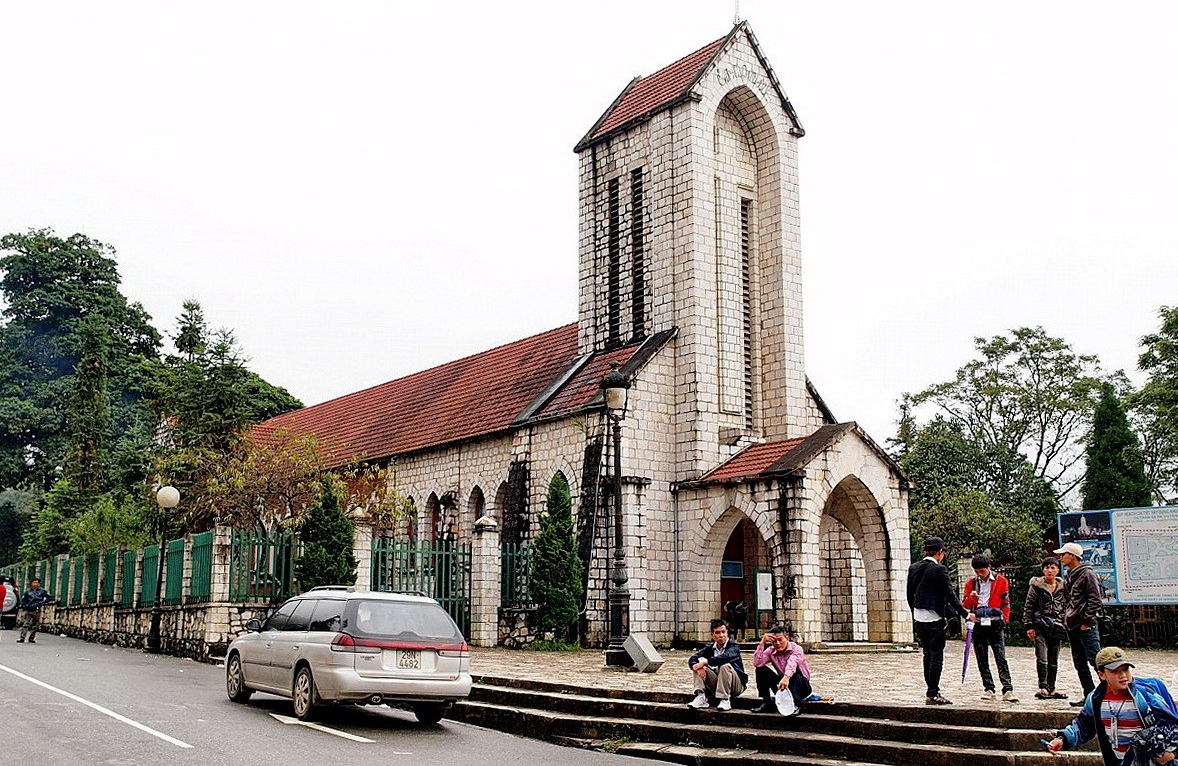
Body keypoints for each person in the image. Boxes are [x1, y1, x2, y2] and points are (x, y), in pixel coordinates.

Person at [1048, 647, 1178, 766]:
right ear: (1102, 675)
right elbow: (1083, 725)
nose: (1123, 676)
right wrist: (1063, 739)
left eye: (1126, 669)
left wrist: (1170, 752)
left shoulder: (1146, 694)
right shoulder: (1095, 699)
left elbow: (1172, 724)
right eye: (1115, 671)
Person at [906, 536, 972, 705]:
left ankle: (931, 690)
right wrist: (965, 614)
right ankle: (933, 692)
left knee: (926, 654)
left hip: (919, 616)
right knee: (936, 656)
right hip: (934, 617)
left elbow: (909, 593)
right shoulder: (939, 569)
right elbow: (949, 594)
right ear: (940, 553)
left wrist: (914, 610)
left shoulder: (914, 567)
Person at [962, 554, 1018, 702]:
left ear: (989, 568)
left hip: (995, 622)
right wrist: (972, 599)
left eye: (982, 571)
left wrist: (1005, 619)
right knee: (982, 657)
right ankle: (988, 687)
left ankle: (1007, 688)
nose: (980, 574)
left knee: (1000, 656)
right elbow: (966, 605)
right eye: (977, 571)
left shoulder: (1001, 581)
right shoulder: (971, 584)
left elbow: (1006, 602)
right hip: (979, 622)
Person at [1057, 541, 1103, 706]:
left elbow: (1095, 599)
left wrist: (1087, 621)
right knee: (1079, 663)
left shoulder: (1087, 574)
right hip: (1072, 625)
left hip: (1085, 625)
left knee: (1097, 661)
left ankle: (1107, 694)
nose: (1061, 558)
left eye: (1064, 554)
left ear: (1072, 556)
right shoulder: (1069, 575)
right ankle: (1090, 696)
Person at [1024, 556, 1068, 700]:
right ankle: (1042, 686)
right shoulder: (1036, 585)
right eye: (1047, 567)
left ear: (1057, 570)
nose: (1050, 570)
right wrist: (1029, 625)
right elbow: (1029, 606)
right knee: (1042, 657)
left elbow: (1067, 605)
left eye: (1053, 567)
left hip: (1057, 626)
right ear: (1043, 569)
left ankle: (1051, 687)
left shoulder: (1063, 586)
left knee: (1053, 659)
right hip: (1040, 625)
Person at [687, 619, 748, 711]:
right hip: (717, 683)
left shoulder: (733, 647)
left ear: (727, 632)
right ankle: (701, 696)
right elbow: (693, 658)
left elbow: (725, 657)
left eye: (723, 632)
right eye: (717, 633)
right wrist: (698, 666)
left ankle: (724, 699)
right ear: (712, 635)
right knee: (697, 666)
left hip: (735, 684)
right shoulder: (710, 648)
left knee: (724, 665)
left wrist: (706, 662)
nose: (721, 635)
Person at [751, 625, 811, 715]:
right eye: (774, 641)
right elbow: (757, 663)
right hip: (783, 686)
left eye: (780, 640)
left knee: (795, 672)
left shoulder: (796, 649)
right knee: (761, 670)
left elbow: (792, 663)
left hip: (801, 685)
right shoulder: (771, 651)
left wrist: (786, 677)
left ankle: (797, 704)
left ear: (787, 638)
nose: (778, 643)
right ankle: (767, 702)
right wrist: (762, 643)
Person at [17, 577, 52, 644]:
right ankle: (22, 638)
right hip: (29, 609)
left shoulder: (42, 591)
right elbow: (24, 600)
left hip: (37, 609)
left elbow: (49, 597)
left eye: (36, 583)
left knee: (35, 625)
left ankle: (31, 638)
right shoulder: (28, 591)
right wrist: (25, 606)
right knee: (26, 624)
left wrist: (43, 602)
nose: (35, 584)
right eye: (34, 582)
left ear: (39, 584)